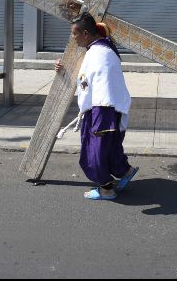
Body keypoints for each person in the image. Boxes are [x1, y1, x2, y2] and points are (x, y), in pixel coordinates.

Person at [54, 12, 138, 201]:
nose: (73, 39)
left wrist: (101, 119)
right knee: (110, 149)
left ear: (85, 34)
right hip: (110, 110)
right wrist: (65, 70)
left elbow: (102, 85)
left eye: (74, 34)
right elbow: (87, 78)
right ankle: (126, 172)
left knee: (93, 154)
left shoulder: (99, 54)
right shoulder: (101, 49)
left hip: (102, 111)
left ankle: (106, 190)